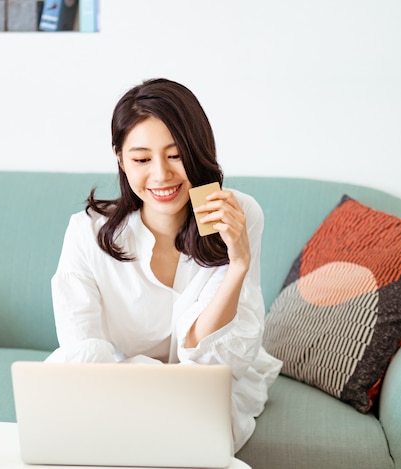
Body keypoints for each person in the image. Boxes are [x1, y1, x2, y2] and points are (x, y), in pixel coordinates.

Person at [46, 78, 282, 452]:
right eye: (141, 159)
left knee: (181, 439)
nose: (161, 175)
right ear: (120, 159)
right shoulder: (86, 233)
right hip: (118, 389)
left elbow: (211, 363)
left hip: (204, 393)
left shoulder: (238, 214)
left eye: (175, 155)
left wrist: (238, 263)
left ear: (198, 150)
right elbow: (82, 356)